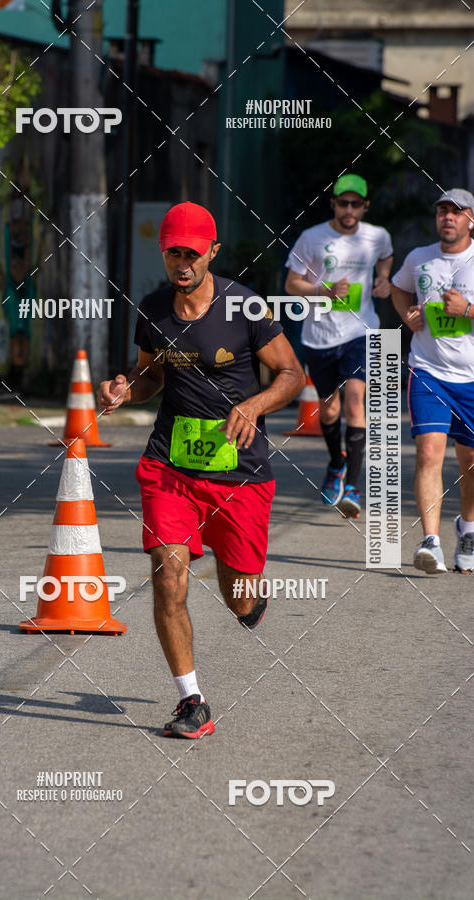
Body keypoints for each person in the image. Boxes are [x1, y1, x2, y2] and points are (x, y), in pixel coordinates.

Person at [97, 201, 305, 738]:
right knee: (169, 574)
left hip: (241, 474)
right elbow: (150, 377)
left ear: (212, 251)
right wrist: (126, 388)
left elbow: (291, 374)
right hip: (170, 465)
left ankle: (249, 599)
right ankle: (193, 701)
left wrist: (255, 406)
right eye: (173, 252)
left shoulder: (247, 308)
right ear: (163, 253)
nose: (183, 262)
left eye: (193, 252)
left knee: (238, 596)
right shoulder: (153, 309)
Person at [284, 174, 394, 518]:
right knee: (329, 410)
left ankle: (354, 486)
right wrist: (323, 293)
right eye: (343, 203)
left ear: (365, 206)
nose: (349, 209)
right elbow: (290, 284)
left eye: (355, 204)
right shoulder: (312, 238)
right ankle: (336, 464)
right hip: (319, 336)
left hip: (360, 332)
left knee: (356, 400)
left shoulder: (377, 236)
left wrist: (384, 278)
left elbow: (386, 255)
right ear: (333, 204)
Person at [391, 188, 474, 574]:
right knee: (428, 454)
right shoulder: (419, 258)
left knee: (470, 460)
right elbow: (398, 287)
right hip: (428, 371)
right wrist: (406, 316)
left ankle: (468, 529)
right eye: (442, 210)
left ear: (470, 220)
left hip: (472, 378)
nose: (448, 218)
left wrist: (468, 309)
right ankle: (431, 542)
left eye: (456, 212)